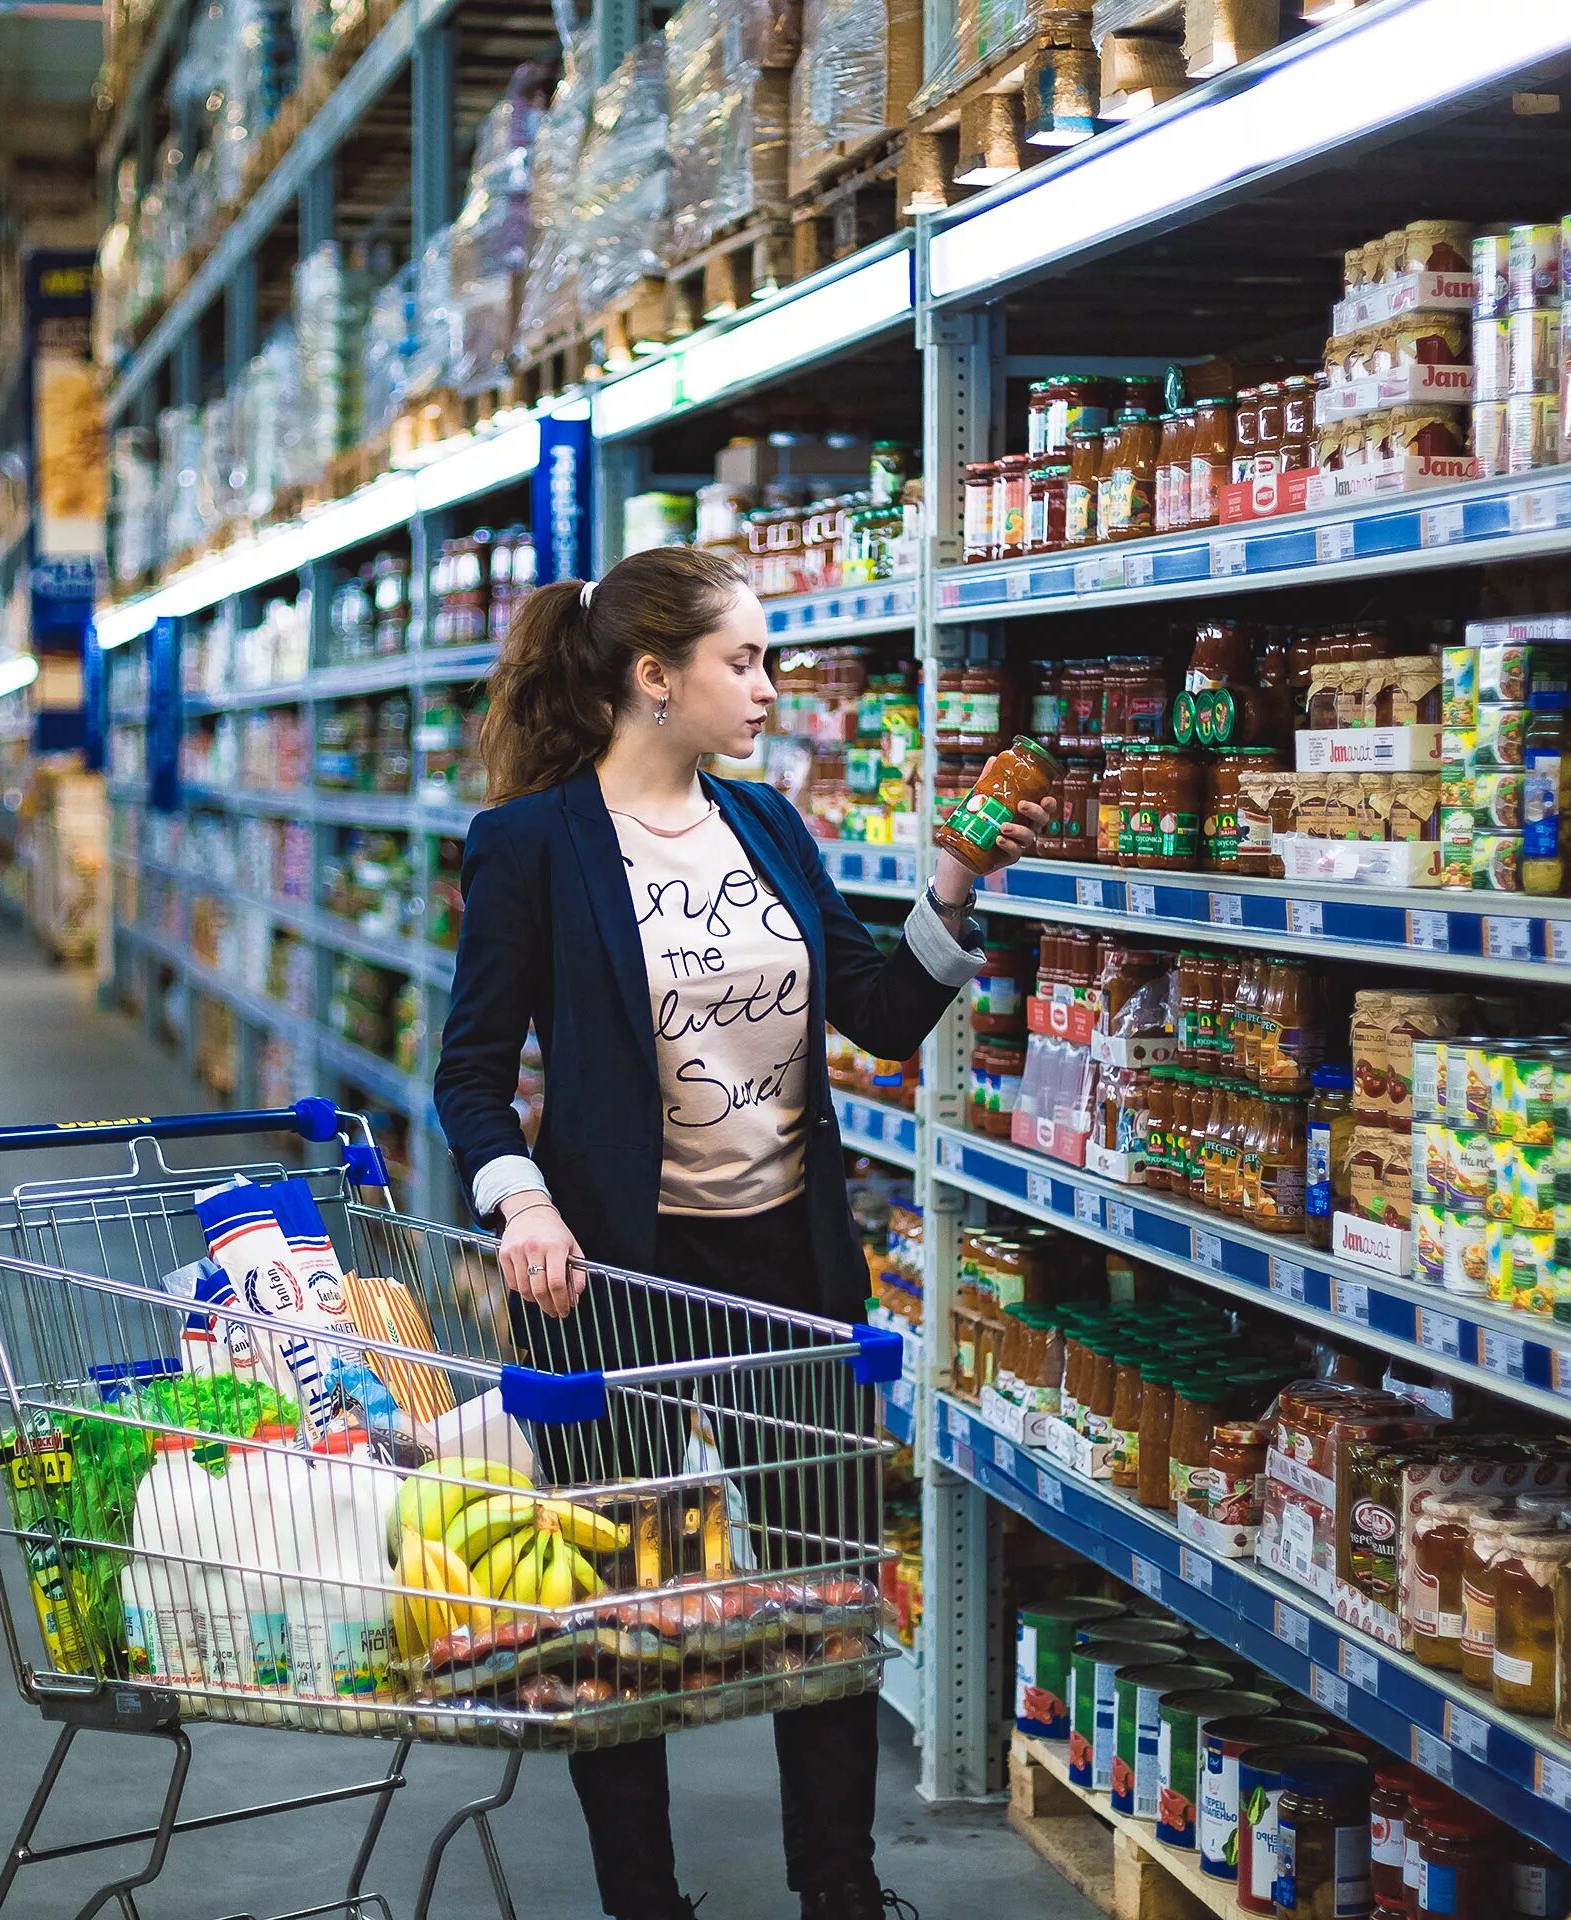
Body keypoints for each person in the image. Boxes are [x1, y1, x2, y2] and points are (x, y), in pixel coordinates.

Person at [431, 547, 1045, 1920]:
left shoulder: (769, 825)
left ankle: (841, 1889)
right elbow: (470, 1074)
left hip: (790, 1267)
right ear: (656, 680)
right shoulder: (532, 844)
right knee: (623, 1608)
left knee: (821, 1602)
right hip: (613, 1275)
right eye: (745, 662)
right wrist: (518, 1201)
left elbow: (880, 1016)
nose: (771, 687)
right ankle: (643, 1901)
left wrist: (951, 885)